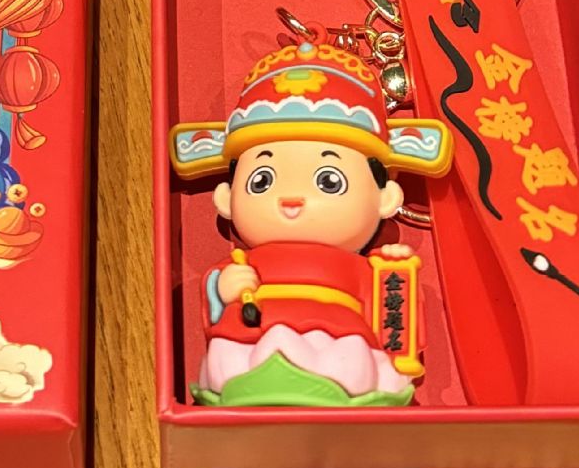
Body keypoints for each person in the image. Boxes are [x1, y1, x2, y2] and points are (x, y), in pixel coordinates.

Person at [170, 35, 453, 407]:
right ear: (226, 198)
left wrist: (394, 272)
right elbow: (215, 300)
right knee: (229, 355)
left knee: (348, 358)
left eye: (328, 181)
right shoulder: (243, 263)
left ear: (385, 198)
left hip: (338, 333)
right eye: (262, 180)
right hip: (248, 333)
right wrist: (223, 288)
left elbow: (391, 313)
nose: (292, 197)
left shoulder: (362, 268)